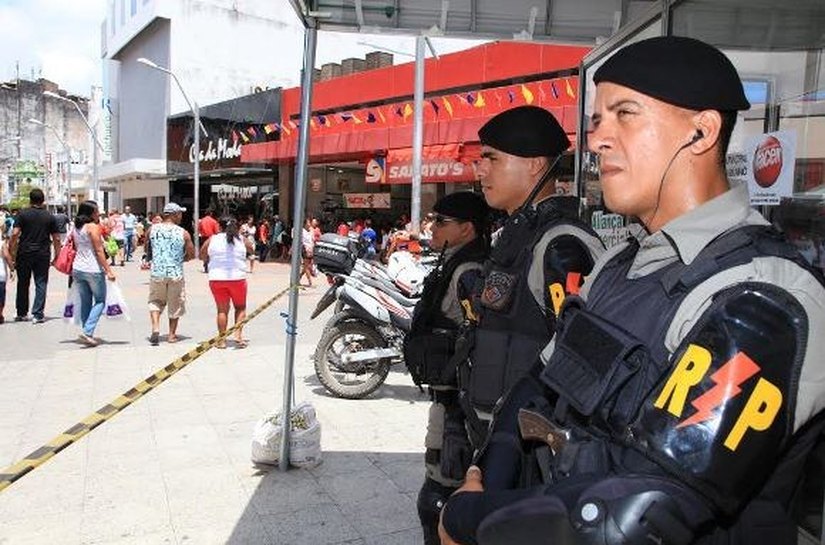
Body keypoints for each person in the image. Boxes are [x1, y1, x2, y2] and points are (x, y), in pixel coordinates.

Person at [439, 36, 825, 545]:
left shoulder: (765, 295)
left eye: (626, 113)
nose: (598, 139)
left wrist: (469, 520)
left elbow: (643, 515)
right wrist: (486, 480)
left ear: (701, 132)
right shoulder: (620, 266)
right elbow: (537, 384)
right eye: (598, 120)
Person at [403, 192, 491, 545]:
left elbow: (477, 333)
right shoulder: (454, 261)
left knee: (440, 489)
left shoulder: (469, 270)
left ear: (466, 228)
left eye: (441, 221)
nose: (433, 226)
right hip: (447, 391)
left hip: (458, 397)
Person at [145, 202, 195, 345]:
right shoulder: (183, 232)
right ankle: (171, 335)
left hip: (157, 272)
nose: (181, 216)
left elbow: (147, 250)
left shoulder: (152, 230)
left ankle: (155, 327)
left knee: (155, 301)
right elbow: (191, 254)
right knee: (175, 303)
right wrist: (181, 258)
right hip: (175, 273)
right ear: (174, 214)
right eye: (179, 214)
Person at [9, 188, 62, 323]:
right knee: (41, 282)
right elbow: (56, 238)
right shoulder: (49, 216)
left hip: (25, 252)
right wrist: (57, 255)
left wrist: (11, 250)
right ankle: (38, 314)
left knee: (23, 282)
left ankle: (21, 313)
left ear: (30, 200)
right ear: (43, 200)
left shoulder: (22, 214)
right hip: (42, 253)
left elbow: (15, 234)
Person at [200, 217, 254, 349]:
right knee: (240, 307)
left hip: (216, 279)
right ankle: (238, 335)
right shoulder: (241, 239)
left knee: (222, 310)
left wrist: (210, 258)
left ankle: (222, 340)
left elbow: (202, 254)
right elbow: (252, 250)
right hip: (238, 278)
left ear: (219, 226)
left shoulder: (212, 239)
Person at [70, 201, 117, 346]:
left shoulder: (76, 227)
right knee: (100, 301)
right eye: (96, 212)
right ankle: (88, 331)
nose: (98, 214)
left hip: (78, 267)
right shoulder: (93, 227)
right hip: (93, 269)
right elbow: (98, 251)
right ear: (90, 213)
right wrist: (108, 270)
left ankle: (86, 332)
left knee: (85, 301)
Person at [0, 224, 14, 324]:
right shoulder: (1, 244)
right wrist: (12, 269)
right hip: (0, 275)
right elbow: (7, 256)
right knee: (1, 296)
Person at [300, 218, 314, 287]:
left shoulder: (311, 231)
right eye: (308, 223)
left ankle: (298, 278)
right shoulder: (302, 231)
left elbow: (312, 240)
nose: (309, 224)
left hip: (311, 250)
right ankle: (310, 282)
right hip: (305, 250)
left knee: (307, 266)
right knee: (306, 266)